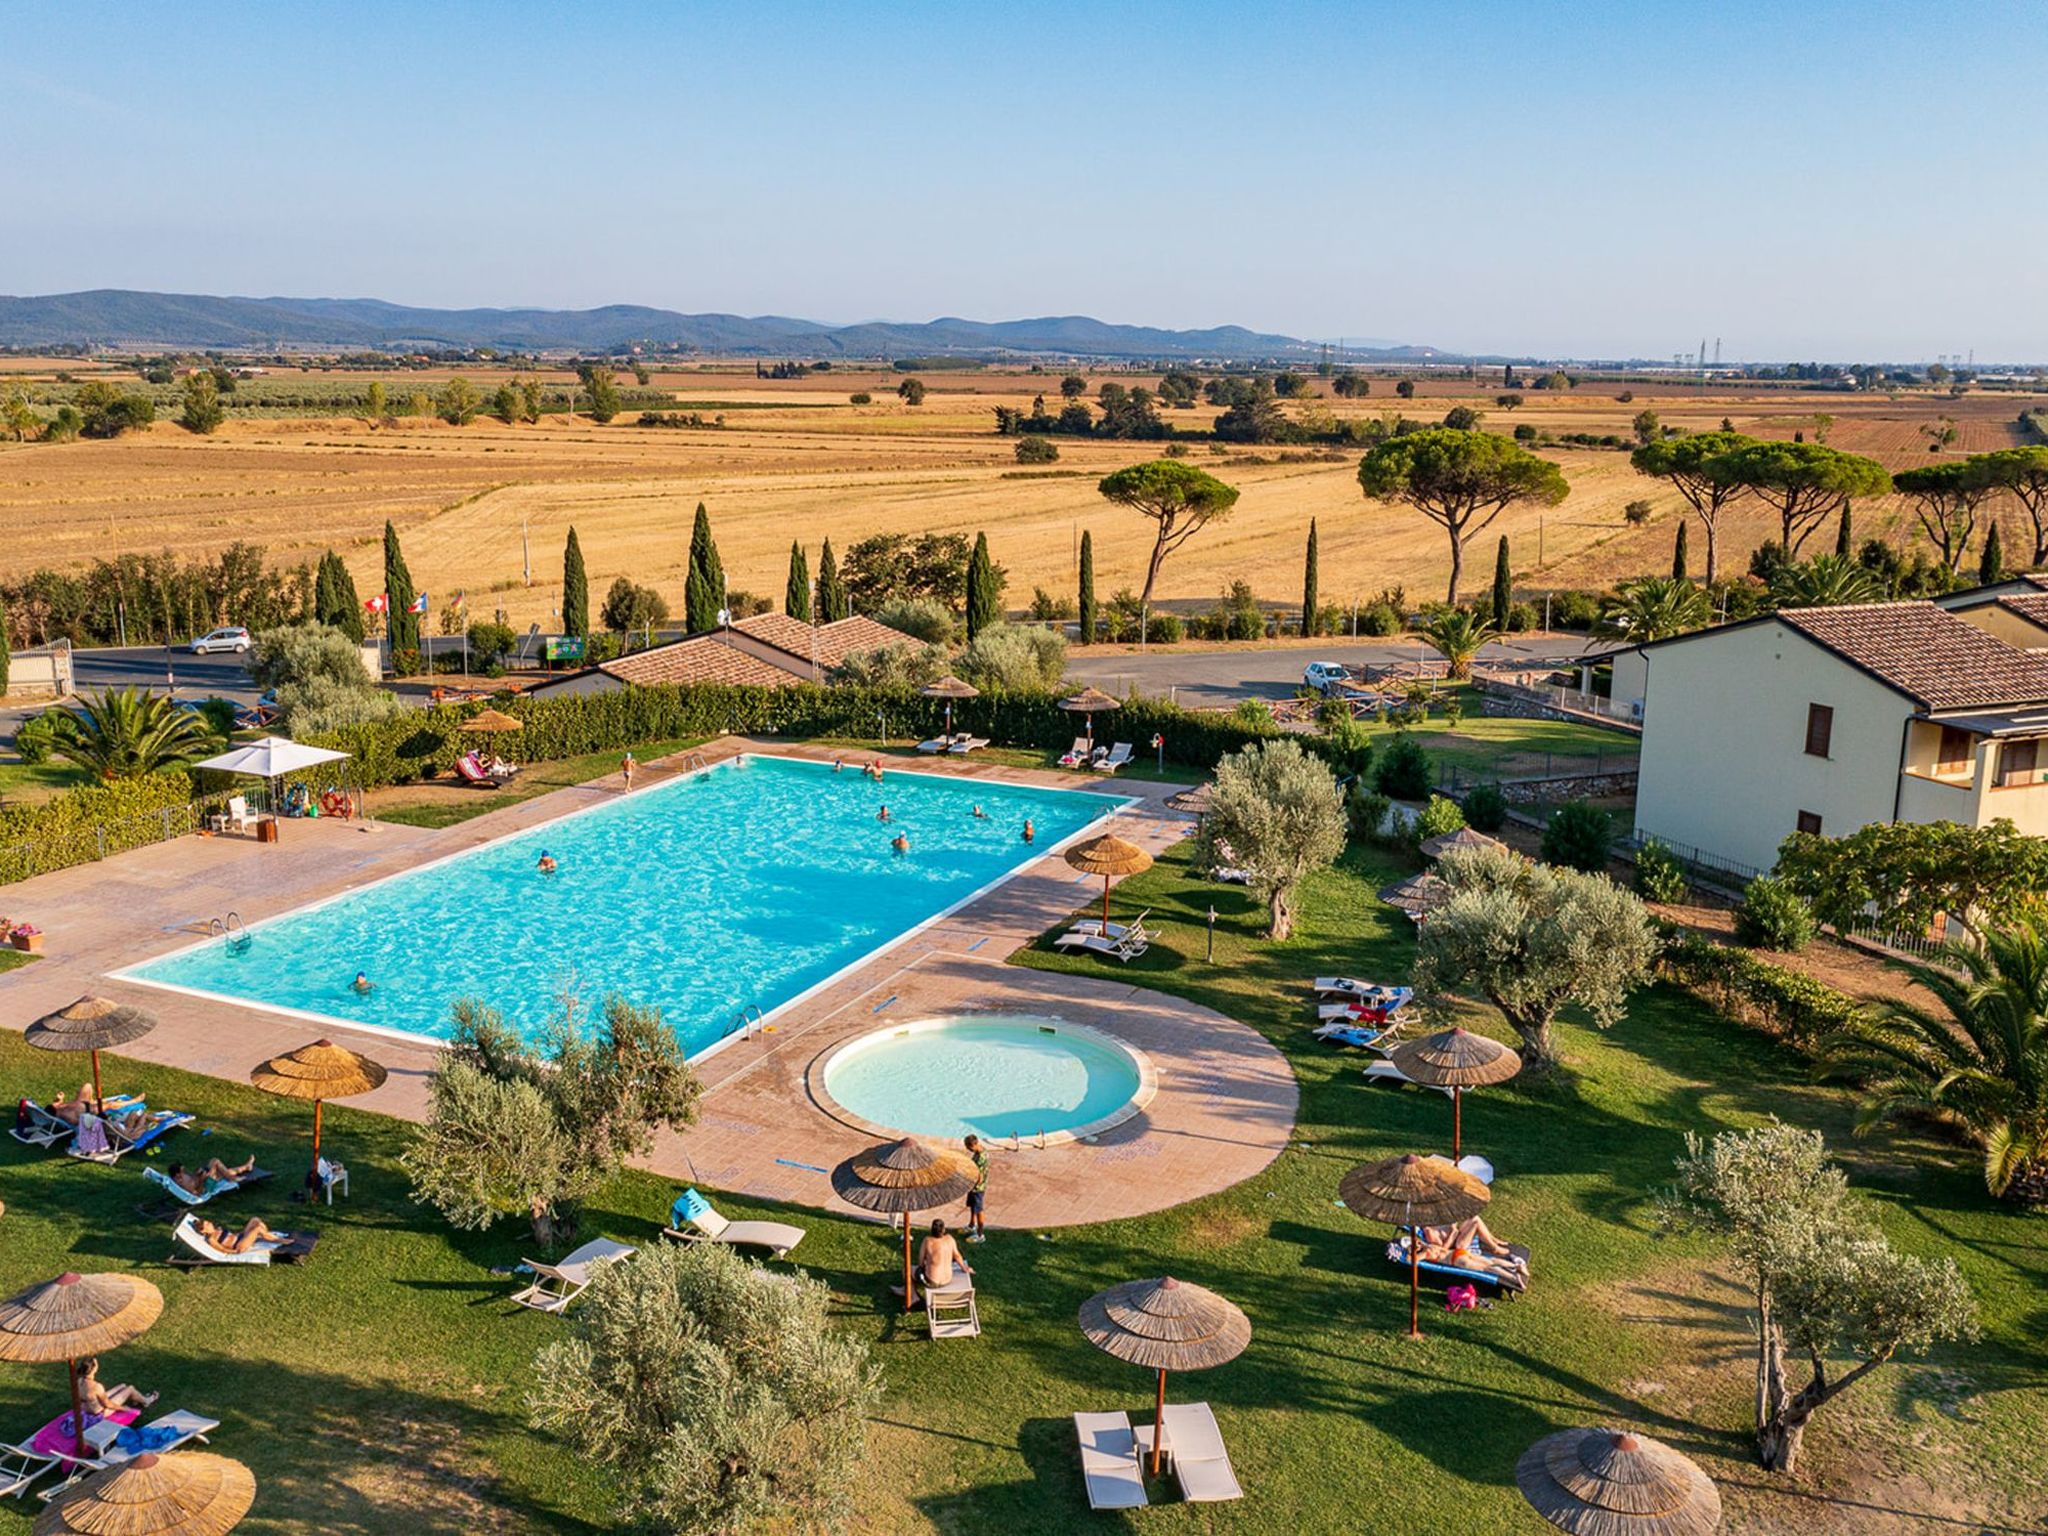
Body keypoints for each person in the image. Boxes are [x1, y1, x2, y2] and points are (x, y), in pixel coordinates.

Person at [1416, 1216, 1528, 1283]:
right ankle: (1495, 1248)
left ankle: (1493, 1241)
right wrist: (1453, 1232)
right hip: (1458, 1247)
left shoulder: (1437, 1221)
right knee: (1488, 1265)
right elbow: (1443, 1249)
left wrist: (1453, 1226)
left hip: (1458, 1250)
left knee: (1475, 1218)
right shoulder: (1429, 1232)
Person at [77, 1358, 155, 1415]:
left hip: (87, 1408)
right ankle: (147, 1401)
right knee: (130, 1389)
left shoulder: (79, 1381)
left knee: (122, 1386)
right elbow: (108, 1404)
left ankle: (137, 1399)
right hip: (100, 1412)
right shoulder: (97, 1386)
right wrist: (124, 1408)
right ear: (94, 1368)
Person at [918, 1217, 971, 1292]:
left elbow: (920, 1262)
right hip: (947, 1279)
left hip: (932, 1280)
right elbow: (957, 1255)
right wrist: (964, 1268)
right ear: (943, 1230)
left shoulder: (927, 1241)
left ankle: (913, 1296)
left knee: (907, 1271)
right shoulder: (950, 1239)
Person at [189, 1216, 286, 1256]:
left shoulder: (218, 1229)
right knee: (257, 1229)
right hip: (239, 1245)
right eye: (207, 1224)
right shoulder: (211, 1239)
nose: (210, 1223)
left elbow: (232, 1235)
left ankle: (267, 1235)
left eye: (208, 1222)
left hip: (240, 1237)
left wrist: (243, 1233)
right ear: (203, 1231)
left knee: (255, 1220)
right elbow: (222, 1249)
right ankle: (282, 1241)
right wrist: (235, 1252)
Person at [167, 1156, 257, 1196]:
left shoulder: (180, 1177)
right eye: (182, 1171)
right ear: (177, 1174)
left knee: (225, 1171)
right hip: (207, 1187)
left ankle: (246, 1167)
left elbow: (192, 1178)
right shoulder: (183, 1185)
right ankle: (233, 1179)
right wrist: (202, 1180)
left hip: (204, 1179)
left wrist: (197, 1173)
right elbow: (198, 1193)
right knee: (215, 1161)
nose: (184, 1172)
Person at [963, 1134, 989, 1242]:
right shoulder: (980, 1150)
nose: (969, 1150)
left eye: (969, 1148)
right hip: (974, 1186)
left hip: (978, 1187)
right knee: (973, 1206)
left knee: (979, 1209)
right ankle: (972, 1225)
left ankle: (980, 1235)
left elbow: (980, 1176)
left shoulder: (981, 1158)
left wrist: (971, 1183)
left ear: (973, 1145)